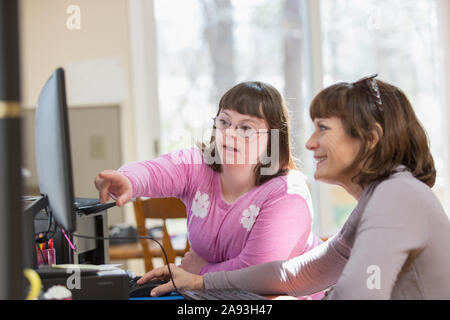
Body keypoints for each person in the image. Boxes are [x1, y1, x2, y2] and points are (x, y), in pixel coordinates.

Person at [138, 75, 450, 299]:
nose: (311, 143)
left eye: (323, 128)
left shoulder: (398, 196)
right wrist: (200, 282)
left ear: (370, 139)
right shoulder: (378, 198)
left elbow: (357, 293)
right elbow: (296, 274)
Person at [95, 81, 323, 296]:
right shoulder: (197, 164)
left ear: (274, 137)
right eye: (224, 122)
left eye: (245, 128)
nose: (230, 133)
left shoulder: (287, 192)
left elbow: (258, 274)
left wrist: (199, 271)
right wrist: (127, 180)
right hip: (216, 296)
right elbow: (154, 172)